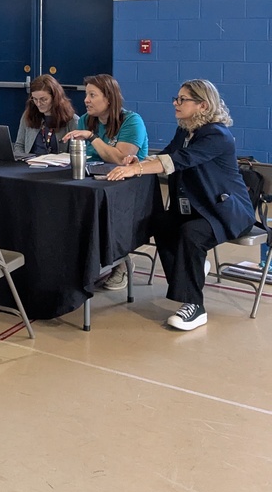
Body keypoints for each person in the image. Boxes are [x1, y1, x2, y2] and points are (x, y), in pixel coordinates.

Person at [108, 80, 255, 331]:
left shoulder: (217, 135)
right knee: (161, 223)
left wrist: (137, 169)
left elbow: (180, 160)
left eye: (182, 99)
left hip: (226, 212)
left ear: (202, 105)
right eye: (176, 98)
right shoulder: (185, 130)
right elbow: (166, 154)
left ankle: (195, 307)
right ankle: (191, 271)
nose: (175, 104)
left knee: (191, 234)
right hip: (197, 209)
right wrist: (139, 160)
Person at [63, 74, 149, 290]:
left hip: (127, 185)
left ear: (109, 99)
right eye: (86, 95)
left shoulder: (131, 120)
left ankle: (121, 262)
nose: (86, 100)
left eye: (92, 95)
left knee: (108, 207)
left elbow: (122, 159)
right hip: (96, 179)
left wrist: (93, 138)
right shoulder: (85, 120)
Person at [13, 74, 78, 155]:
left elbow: (76, 153)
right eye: (35, 99)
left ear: (55, 98)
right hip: (30, 165)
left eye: (43, 99)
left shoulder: (72, 120)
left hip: (58, 166)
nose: (38, 104)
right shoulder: (28, 115)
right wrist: (21, 160)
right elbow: (19, 145)